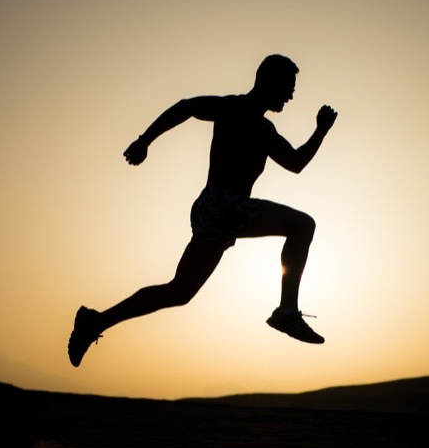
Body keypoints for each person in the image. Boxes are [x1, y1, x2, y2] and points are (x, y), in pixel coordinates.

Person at [68, 54, 338, 367]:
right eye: (288, 87)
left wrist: (321, 130)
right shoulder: (233, 108)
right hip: (222, 203)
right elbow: (186, 106)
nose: (292, 95)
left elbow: (295, 163)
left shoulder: (266, 131)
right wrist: (145, 141)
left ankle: (96, 322)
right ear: (268, 81)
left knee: (179, 291)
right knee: (302, 225)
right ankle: (286, 312)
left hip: (217, 214)